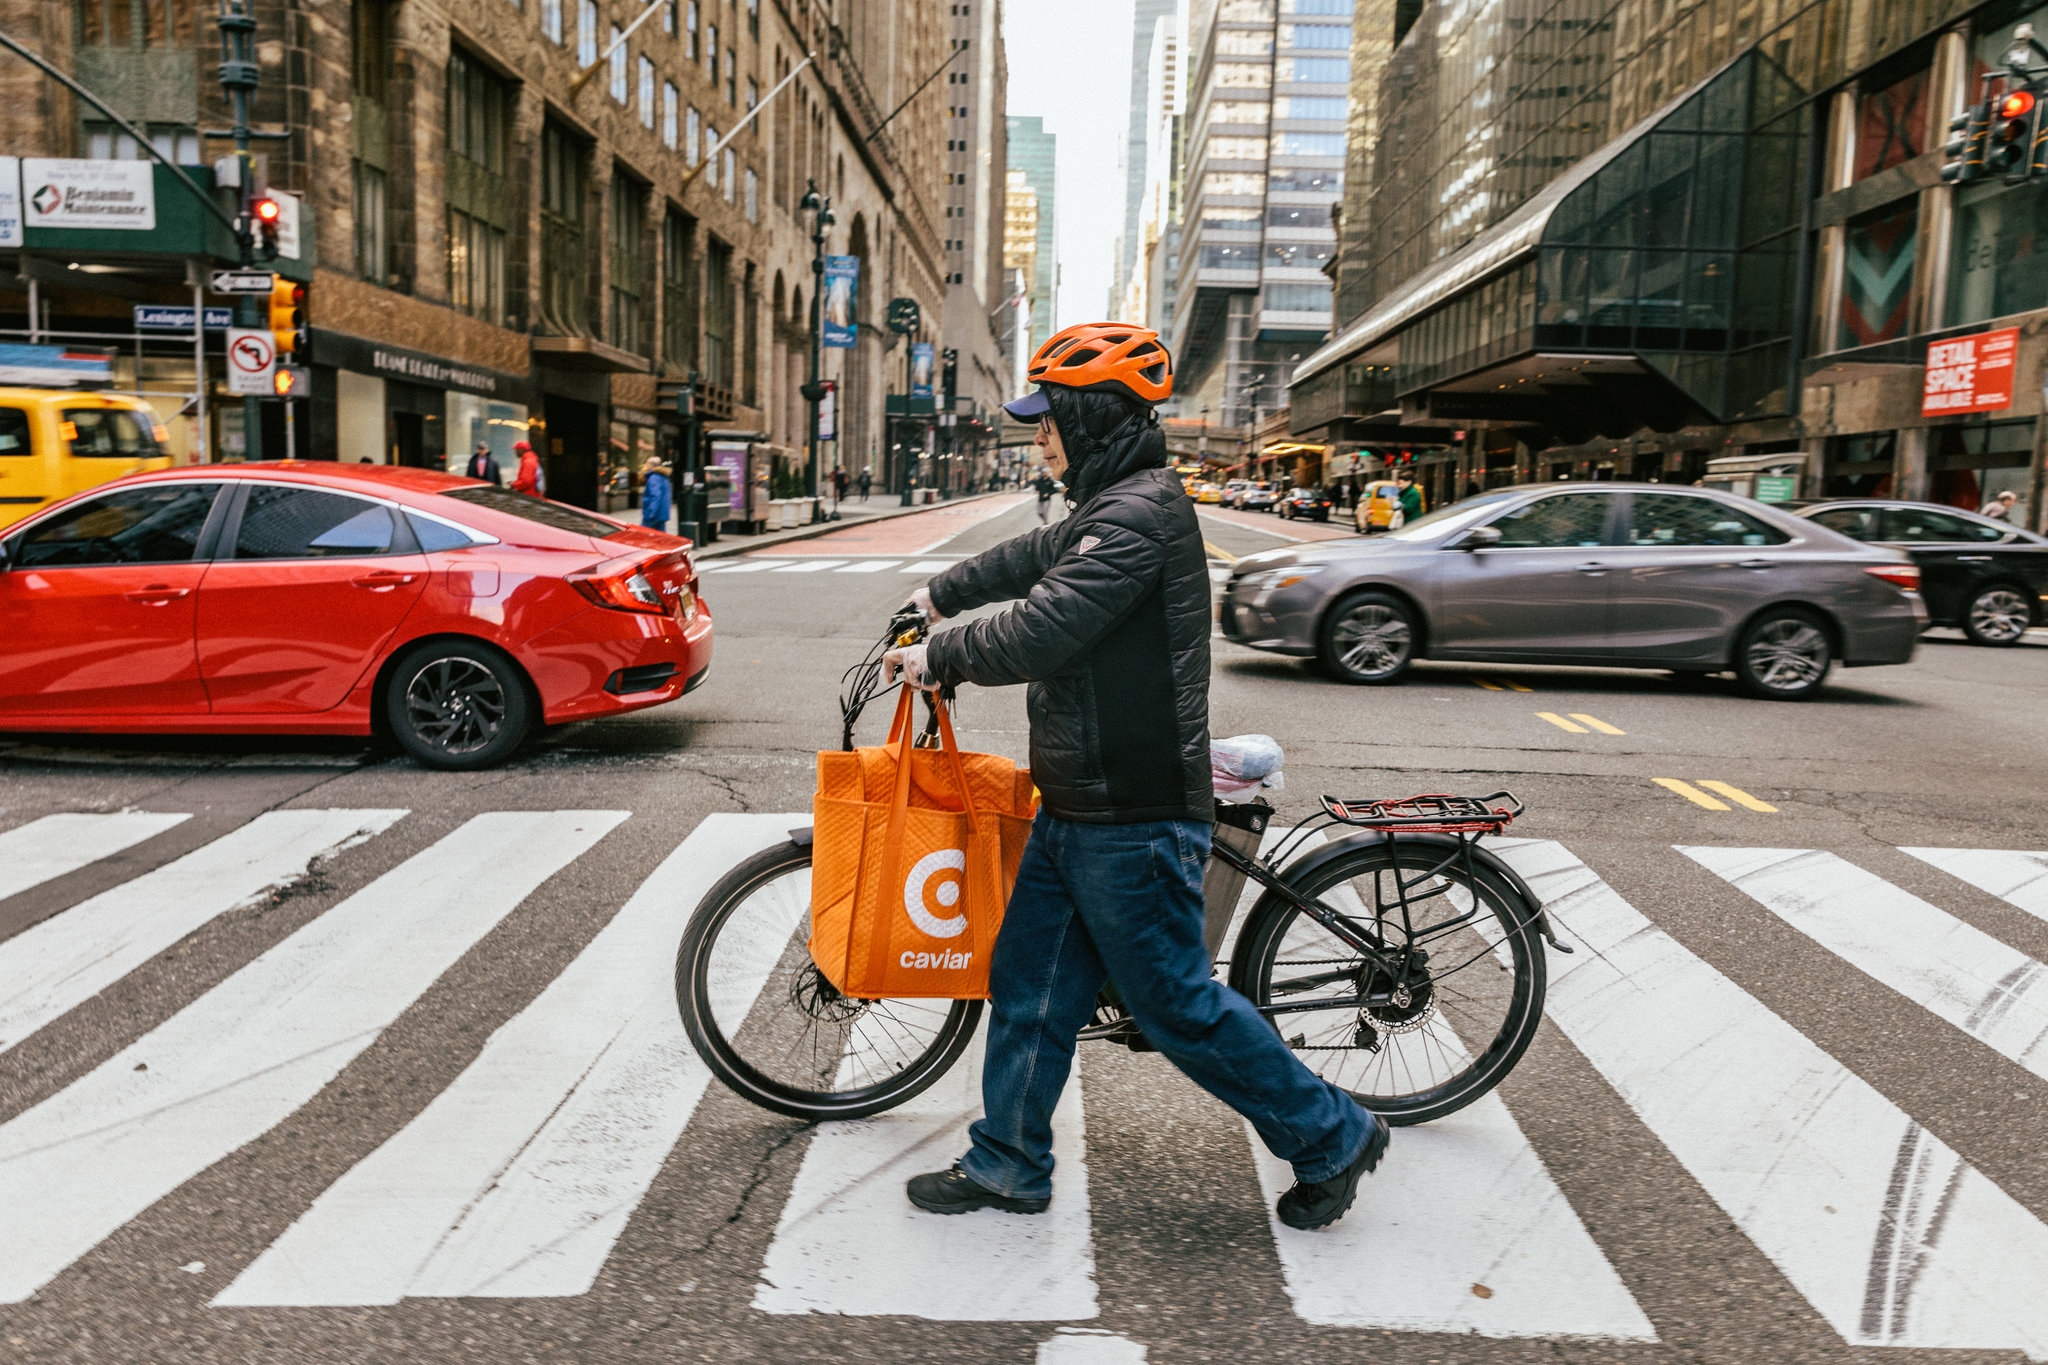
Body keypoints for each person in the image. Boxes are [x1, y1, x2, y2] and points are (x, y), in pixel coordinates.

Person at [881, 321, 1387, 1233]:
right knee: (1030, 987)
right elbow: (1031, 562)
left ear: (1091, 416)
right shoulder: (1107, 504)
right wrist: (939, 595)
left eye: (1049, 420)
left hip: (1134, 812)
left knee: (1176, 1005)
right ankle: (1008, 1163)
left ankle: (1333, 1132)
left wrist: (940, 656)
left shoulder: (1139, 513)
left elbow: (1047, 626)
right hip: (1079, 803)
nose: (1039, 436)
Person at [640, 460, 672, 531]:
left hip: (653, 513)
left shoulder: (654, 478)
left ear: (652, 465)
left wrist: (651, 512)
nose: (646, 466)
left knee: (642, 534)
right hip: (662, 513)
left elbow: (656, 496)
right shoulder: (664, 477)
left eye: (647, 464)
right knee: (661, 537)